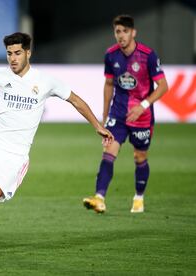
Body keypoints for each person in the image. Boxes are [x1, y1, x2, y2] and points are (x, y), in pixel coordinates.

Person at [0, 32, 114, 252]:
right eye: (9, 54)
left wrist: (97, 125)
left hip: (13, 155)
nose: (12, 58)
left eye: (17, 53)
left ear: (28, 53)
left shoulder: (45, 81)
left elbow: (76, 100)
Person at [83, 15, 168, 214]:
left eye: (125, 31)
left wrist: (143, 105)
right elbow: (109, 84)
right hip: (118, 114)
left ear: (133, 32)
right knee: (109, 152)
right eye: (117, 31)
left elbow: (163, 86)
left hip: (142, 117)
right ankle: (99, 198)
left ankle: (138, 198)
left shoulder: (148, 55)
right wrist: (104, 117)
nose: (121, 36)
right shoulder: (111, 55)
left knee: (139, 157)